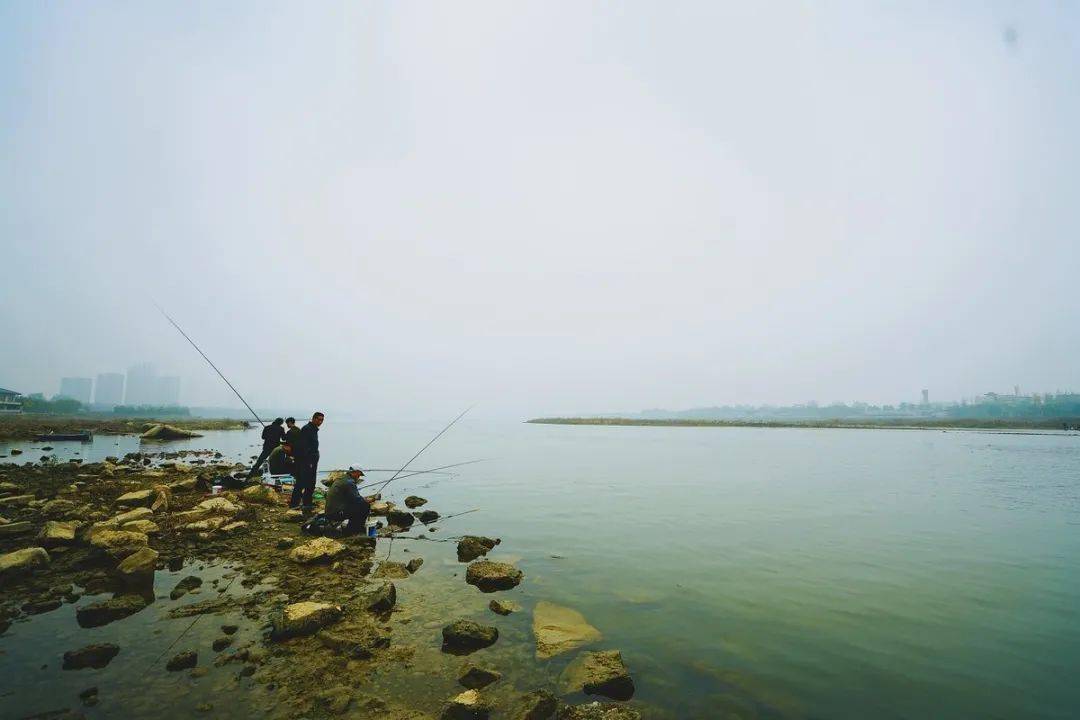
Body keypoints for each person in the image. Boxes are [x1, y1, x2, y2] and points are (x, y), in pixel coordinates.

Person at [325, 465, 376, 535]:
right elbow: (358, 501)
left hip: (330, 512)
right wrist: (370, 500)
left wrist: (362, 499)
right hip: (336, 514)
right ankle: (352, 531)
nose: (359, 477)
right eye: (359, 474)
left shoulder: (342, 479)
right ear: (354, 472)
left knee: (359, 505)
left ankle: (352, 528)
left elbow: (353, 498)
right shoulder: (349, 482)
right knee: (365, 506)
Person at [290, 411, 324, 509]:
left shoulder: (313, 429)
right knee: (302, 483)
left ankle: (307, 503)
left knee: (310, 483)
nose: (320, 422)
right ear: (313, 418)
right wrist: (309, 461)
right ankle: (295, 504)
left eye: (322, 420)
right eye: (319, 419)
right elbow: (304, 447)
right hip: (306, 461)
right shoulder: (307, 429)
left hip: (311, 461)